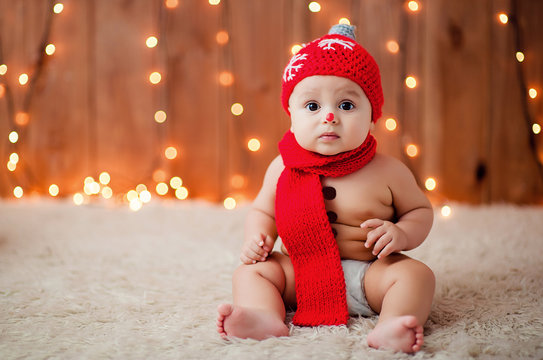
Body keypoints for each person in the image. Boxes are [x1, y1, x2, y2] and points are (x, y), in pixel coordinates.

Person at [216, 24, 435, 354]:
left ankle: (393, 322)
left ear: (372, 116)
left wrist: (401, 234)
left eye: (347, 105)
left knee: (417, 276)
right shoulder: (282, 166)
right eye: (312, 106)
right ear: (291, 115)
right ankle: (264, 316)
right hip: (301, 273)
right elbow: (263, 210)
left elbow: (420, 211)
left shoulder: (389, 171)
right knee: (251, 273)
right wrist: (257, 239)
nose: (330, 116)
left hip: (370, 275)